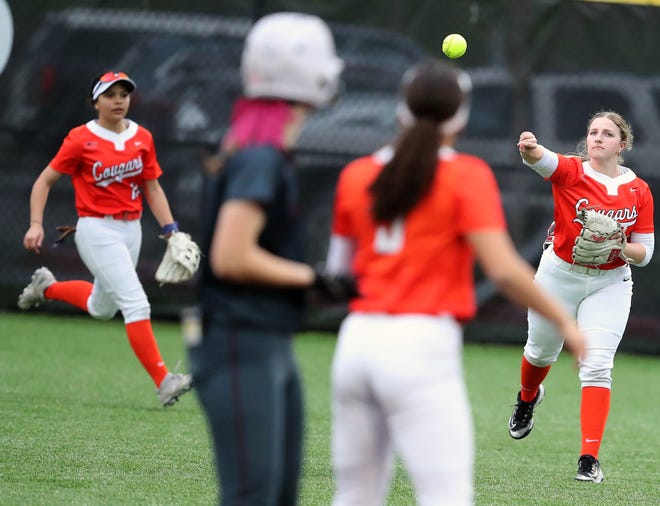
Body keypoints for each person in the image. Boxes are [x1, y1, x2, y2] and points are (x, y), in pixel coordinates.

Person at [324, 59, 586, 506]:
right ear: (460, 116)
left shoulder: (358, 174)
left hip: (356, 344)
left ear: (401, 111)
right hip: (421, 345)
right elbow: (503, 270)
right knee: (446, 496)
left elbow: (337, 274)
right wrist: (567, 324)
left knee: (355, 496)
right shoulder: (465, 175)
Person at [190, 12, 347, 506]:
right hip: (240, 340)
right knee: (253, 497)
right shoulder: (260, 155)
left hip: (264, 339)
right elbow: (232, 256)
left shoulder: (258, 146)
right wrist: (317, 279)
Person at [18, 71, 194, 407]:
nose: (118, 101)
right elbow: (44, 181)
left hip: (132, 228)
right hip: (96, 229)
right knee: (136, 303)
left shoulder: (142, 137)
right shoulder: (80, 138)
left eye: (124, 94)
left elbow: (152, 187)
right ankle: (164, 381)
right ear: (96, 101)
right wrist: (35, 224)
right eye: (111, 95)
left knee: (102, 307)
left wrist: (171, 229)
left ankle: (47, 287)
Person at [509, 111, 655, 483]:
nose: (598, 138)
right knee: (540, 352)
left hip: (610, 282)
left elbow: (645, 252)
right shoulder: (572, 171)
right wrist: (529, 147)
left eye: (608, 134)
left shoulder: (638, 190)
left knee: (596, 365)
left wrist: (622, 246)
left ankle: (589, 459)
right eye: (593, 132)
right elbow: (541, 159)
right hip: (559, 275)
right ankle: (527, 398)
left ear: (622, 145)